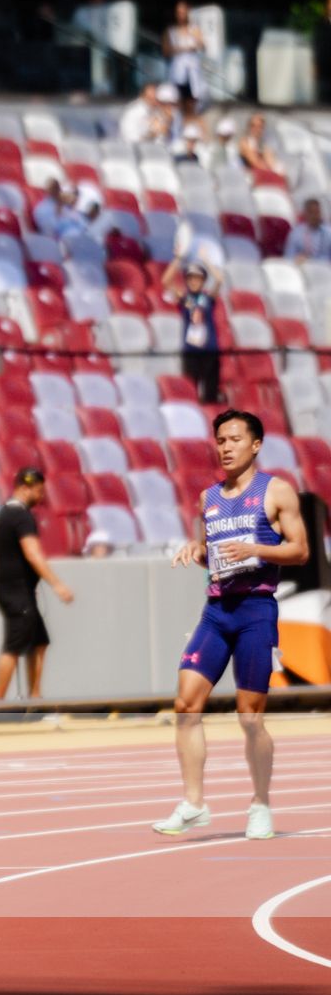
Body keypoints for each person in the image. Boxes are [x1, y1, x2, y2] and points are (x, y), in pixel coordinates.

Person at [156, 411, 308, 840]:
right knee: (186, 705)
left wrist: (255, 548)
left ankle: (260, 803)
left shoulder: (276, 491)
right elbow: (211, 552)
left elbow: (300, 551)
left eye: (234, 439)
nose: (225, 447)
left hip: (255, 612)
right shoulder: (208, 498)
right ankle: (193, 804)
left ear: (255, 444)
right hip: (217, 611)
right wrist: (195, 549)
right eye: (220, 439)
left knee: (250, 717)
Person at [0, 467, 75, 701]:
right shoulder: (21, 516)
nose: (42, 496)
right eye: (39, 490)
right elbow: (33, 553)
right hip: (17, 590)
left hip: (10, 588)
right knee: (13, 647)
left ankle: (35, 700)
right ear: (26, 488)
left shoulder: (3, 513)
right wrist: (57, 585)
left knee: (39, 641)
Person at [163, 256, 220, 404]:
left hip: (210, 350)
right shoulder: (186, 298)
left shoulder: (207, 299)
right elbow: (166, 281)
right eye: (190, 278)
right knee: (190, 390)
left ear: (203, 281)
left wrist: (207, 261)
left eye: (198, 278)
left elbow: (219, 279)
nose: (194, 282)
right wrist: (178, 259)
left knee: (210, 393)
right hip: (191, 351)